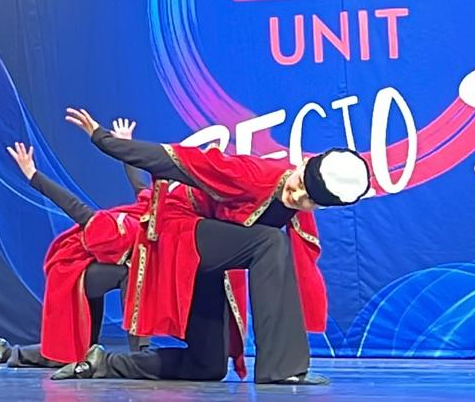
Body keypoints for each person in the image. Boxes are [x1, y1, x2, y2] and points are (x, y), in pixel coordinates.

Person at [54, 107, 370, 386]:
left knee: (207, 366)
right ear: (302, 165)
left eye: (308, 200)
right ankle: (281, 369)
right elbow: (171, 160)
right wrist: (103, 138)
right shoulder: (252, 174)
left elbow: (300, 265)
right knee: (270, 242)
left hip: (212, 252)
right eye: (299, 185)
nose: (297, 197)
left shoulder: (298, 210)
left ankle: (104, 363)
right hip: (180, 230)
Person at [0, 119, 151, 370]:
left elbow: (140, 183)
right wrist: (34, 176)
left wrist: (125, 145)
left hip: (92, 264)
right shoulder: (118, 229)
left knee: (80, 353)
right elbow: (75, 207)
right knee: (129, 274)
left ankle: (8, 351)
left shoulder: (150, 211)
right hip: (71, 269)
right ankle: (141, 353)